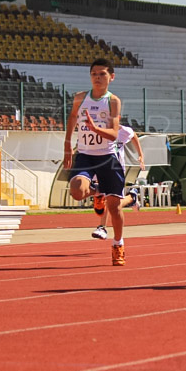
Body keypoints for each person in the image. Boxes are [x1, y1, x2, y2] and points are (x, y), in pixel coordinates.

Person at [63, 58, 129, 266]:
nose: (97, 78)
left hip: (108, 156)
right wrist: (67, 145)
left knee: (115, 206)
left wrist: (95, 129)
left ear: (111, 77)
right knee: (75, 190)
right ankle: (97, 191)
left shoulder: (113, 102)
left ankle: (118, 244)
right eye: (94, 74)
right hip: (85, 155)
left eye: (102, 74)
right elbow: (72, 117)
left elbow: (113, 134)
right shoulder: (80, 98)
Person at [91, 124, 143, 242]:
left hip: (116, 169)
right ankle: (132, 198)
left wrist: (140, 154)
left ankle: (102, 227)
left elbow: (133, 135)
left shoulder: (123, 131)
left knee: (111, 201)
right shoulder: (98, 129)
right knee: (104, 197)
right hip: (101, 166)